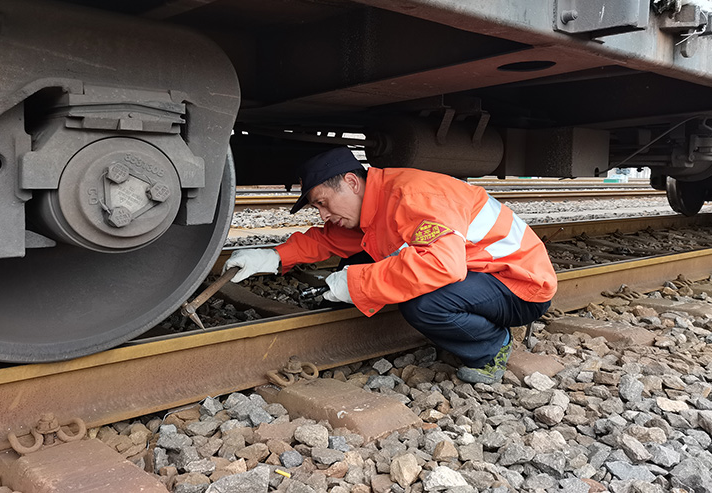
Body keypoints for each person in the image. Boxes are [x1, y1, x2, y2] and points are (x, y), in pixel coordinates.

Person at [223, 146, 557, 384]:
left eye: (323, 203)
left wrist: (353, 285)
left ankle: (491, 347)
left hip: (521, 285)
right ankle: (471, 326)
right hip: (481, 272)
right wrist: (274, 256)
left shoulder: (413, 197)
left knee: (423, 303)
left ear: (352, 183)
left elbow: (443, 265)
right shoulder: (375, 203)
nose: (323, 215)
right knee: (361, 258)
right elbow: (327, 240)